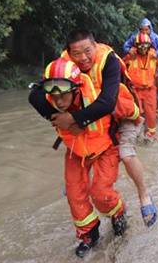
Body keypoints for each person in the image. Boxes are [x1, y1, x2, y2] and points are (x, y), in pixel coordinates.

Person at [29, 30, 158, 232]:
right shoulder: (64, 64)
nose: (83, 59)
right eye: (76, 54)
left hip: (122, 112)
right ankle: (88, 229)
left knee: (126, 153)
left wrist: (73, 118)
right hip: (89, 119)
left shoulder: (109, 61)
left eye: (87, 51)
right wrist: (56, 116)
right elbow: (36, 95)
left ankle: (144, 195)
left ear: (95, 46)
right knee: (75, 187)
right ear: (68, 53)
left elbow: (107, 102)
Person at [34, 57, 126, 258]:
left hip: (105, 149)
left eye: (63, 95)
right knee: (75, 194)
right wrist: (53, 115)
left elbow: (123, 107)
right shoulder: (50, 98)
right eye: (53, 94)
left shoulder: (98, 97)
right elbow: (34, 96)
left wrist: (137, 124)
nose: (58, 101)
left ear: (75, 88)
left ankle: (118, 214)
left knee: (100, 193)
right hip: (76, 151)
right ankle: (89, 234)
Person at [124, 32, 158, 138]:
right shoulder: (130, 56)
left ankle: (150, 135)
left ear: (149, 45)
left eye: (145, 45)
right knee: (135, 113)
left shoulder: (154, 55)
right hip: (135, 90)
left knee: (151, 115)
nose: (143, 47)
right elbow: (121, 67)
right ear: (136, 46)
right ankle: (135, 134)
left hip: (150, 90)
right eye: (140, 45)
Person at [123, 18, 158, 114]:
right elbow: (125, 46)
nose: (144, 32)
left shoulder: (156, 38)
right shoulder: (134, 37)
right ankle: (138, 110)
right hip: (140, 63)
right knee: (134, 85)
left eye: (146, 29)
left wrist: (156, 54)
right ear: (139, 30)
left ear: (150, 29)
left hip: (153, 62)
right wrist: (129, 50)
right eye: (142, 30)